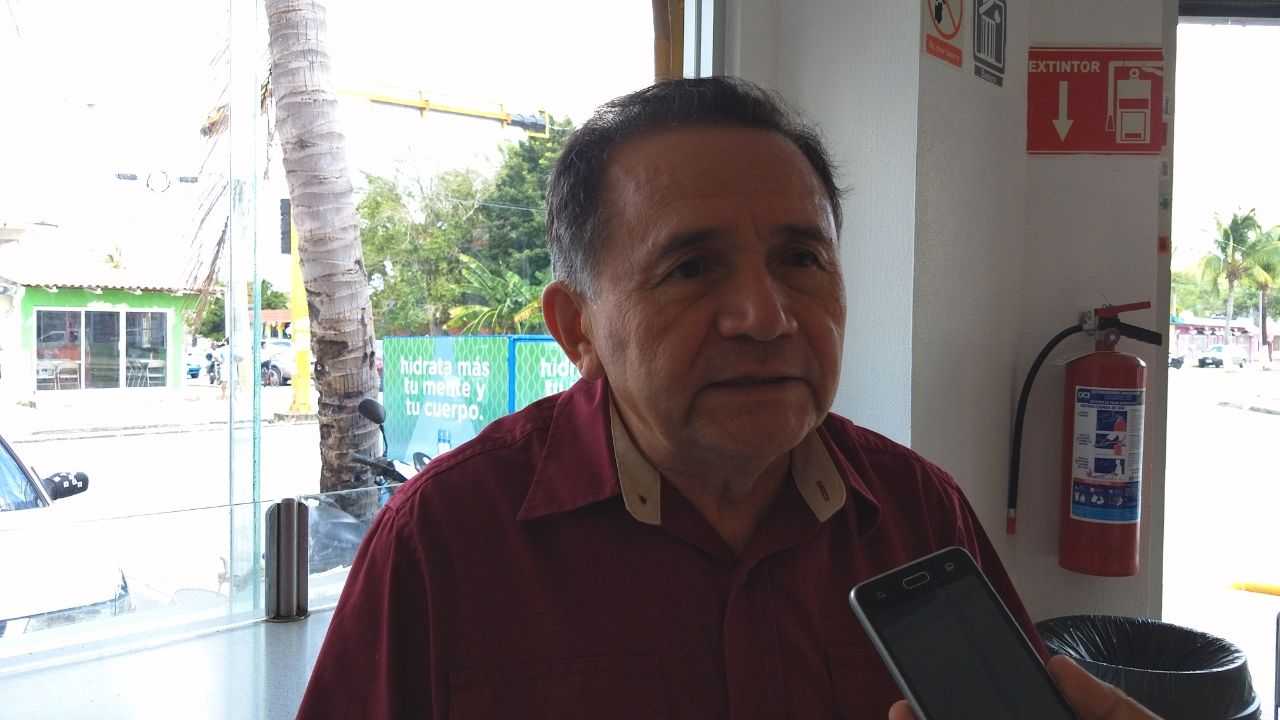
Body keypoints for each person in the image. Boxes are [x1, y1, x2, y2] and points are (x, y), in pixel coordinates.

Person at [296, 77, 1162, 719]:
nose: (766, 316)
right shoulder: (443, 543)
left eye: (800, 259)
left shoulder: (919, 516)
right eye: (691, 268)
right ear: (577, 328)